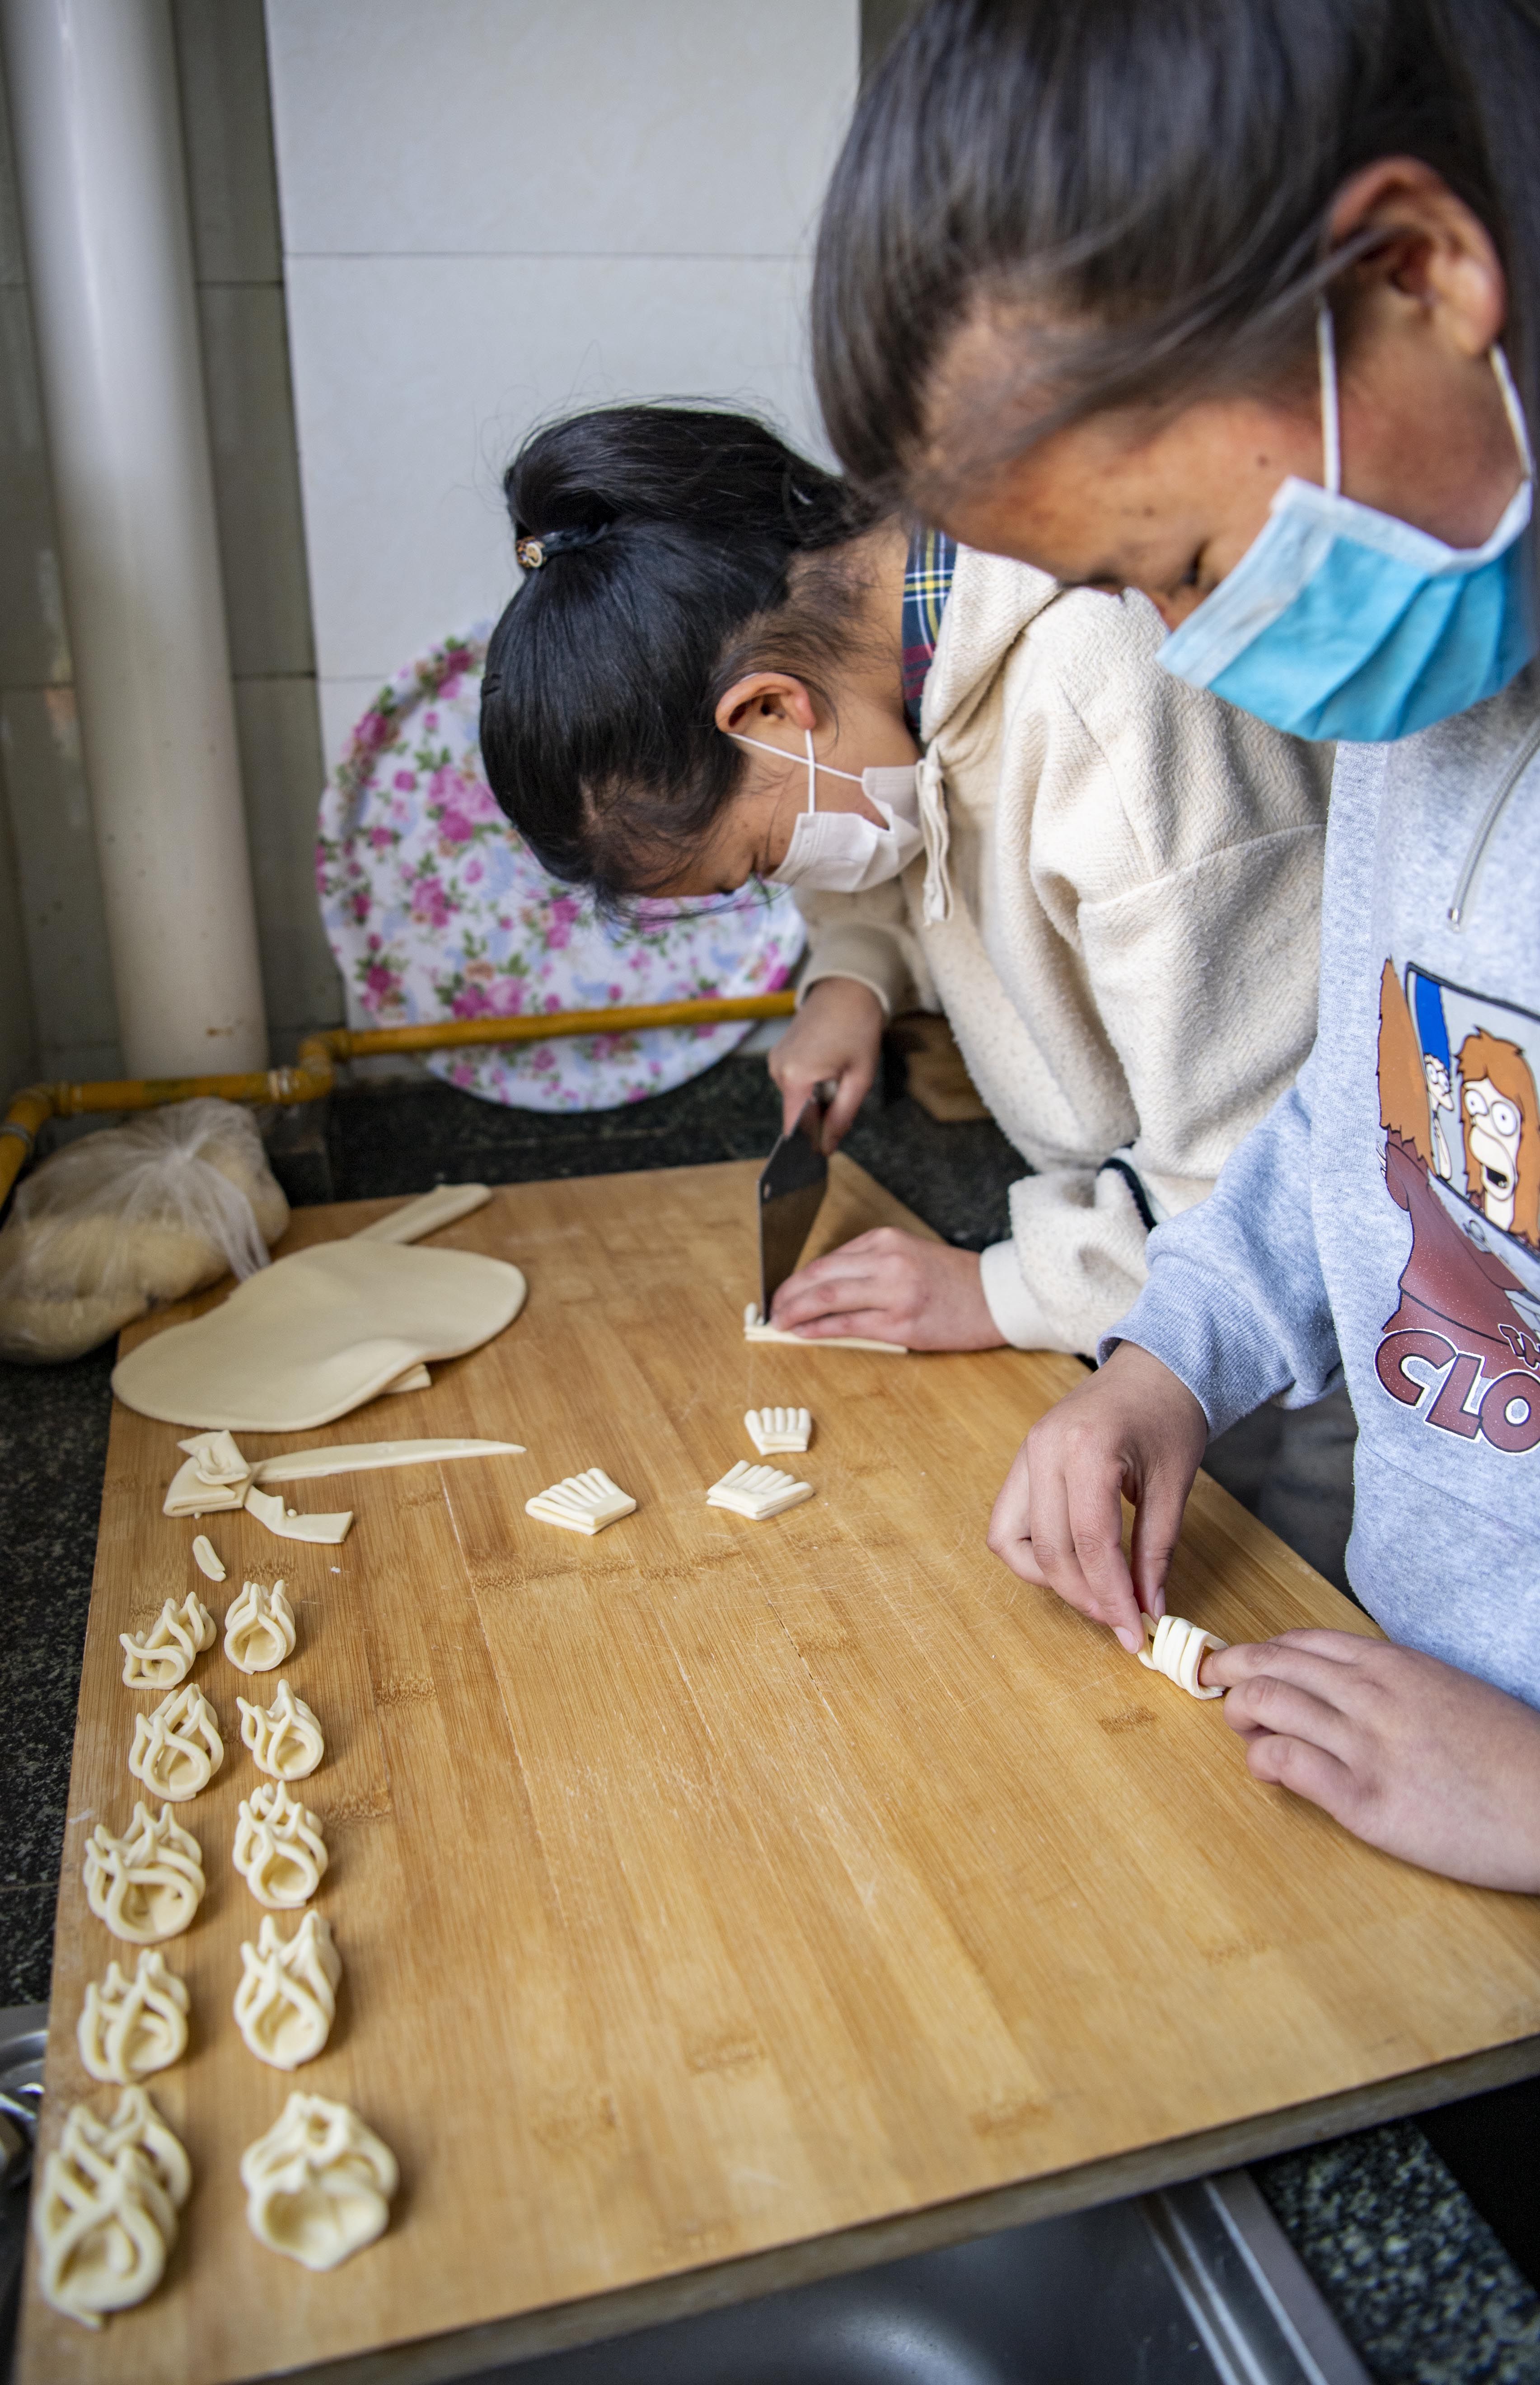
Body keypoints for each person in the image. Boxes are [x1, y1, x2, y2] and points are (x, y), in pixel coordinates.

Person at [809, 0, 1540, 1887]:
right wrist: (1168, 1362)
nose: (1186, 652)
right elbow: (1368, 1119)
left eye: (1190, 566)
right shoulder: (1429, 714)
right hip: (1424, 1732)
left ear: (1415, 270)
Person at [478, 406, 1336, 1444]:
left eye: (761, 861)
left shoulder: (1108, 705)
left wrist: (1004, 1291)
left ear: (770, 712)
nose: (789, 878)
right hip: (1156, 1259)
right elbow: (899, 818)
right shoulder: (898, 662)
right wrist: (853, 977)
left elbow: (1265, 1174)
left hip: (1323, 1315)